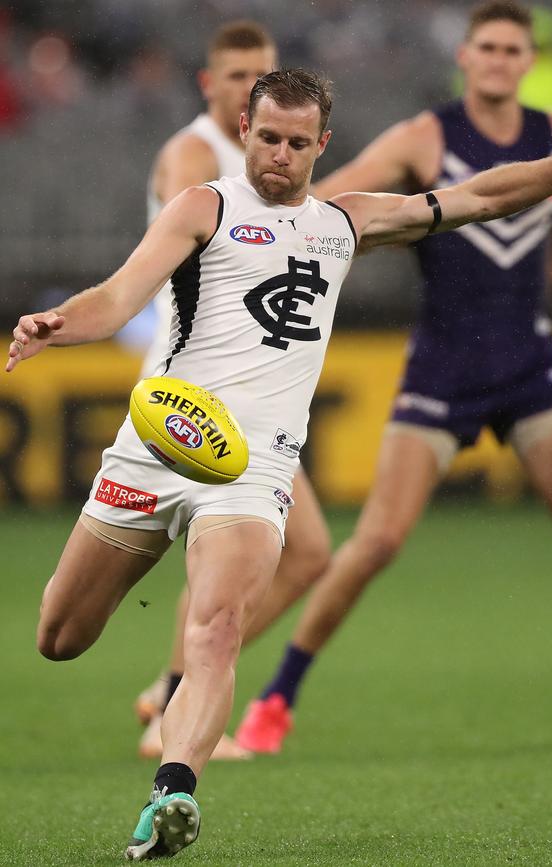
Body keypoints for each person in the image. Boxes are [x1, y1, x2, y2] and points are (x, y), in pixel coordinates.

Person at [7, 67, 552, 860]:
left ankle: (173, 792)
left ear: (323, 146)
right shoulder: (203, 207)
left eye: (297, 144)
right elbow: (117, 296)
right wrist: (55, 323)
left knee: (217, 628)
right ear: (244, 128)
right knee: (60, 635)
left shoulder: (344, 221)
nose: (280, 155)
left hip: (251, 469)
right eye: (268, 137)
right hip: (158, 442)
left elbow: (482, 196)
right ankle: (165, 757)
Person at [235, 1, 552, 756]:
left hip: (529, 362)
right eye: (485, 46)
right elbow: (329, 211)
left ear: (528, 61)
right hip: (444, 365)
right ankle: (274, 700)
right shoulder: (424, 136)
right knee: (377, 541)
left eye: (511, 49)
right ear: (464, 55)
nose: (497, 59)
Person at [134, 19, 332, 764]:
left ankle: (174, 688)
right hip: (190, 393)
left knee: (309, 551)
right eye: (234, 74)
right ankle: (177, 703)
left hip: (250, 394)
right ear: (210, 84)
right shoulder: (195, 157)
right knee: (231, 563)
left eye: (261, 72)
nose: (245, 83)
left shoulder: (275, 156)